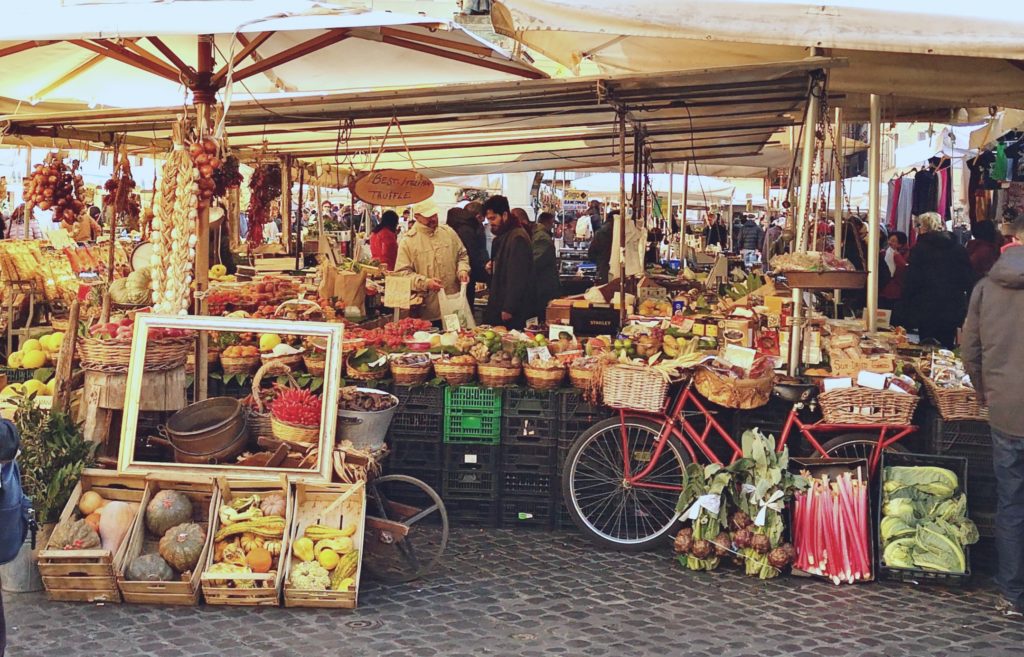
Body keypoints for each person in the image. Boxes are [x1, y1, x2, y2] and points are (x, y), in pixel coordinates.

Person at [961, 211, 1024, 618]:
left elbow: (971, 351)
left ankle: (1012, 595)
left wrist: (984, 391)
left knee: (1011, 502)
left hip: (1005, 410)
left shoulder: (986, 287)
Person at [900, 212, 973, 348]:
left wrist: (906, 305)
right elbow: (967, 278)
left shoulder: (919, 249)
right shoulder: (958, 248)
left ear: (923, 227)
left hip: (926, 307)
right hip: (952, 306)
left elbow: (912, 280)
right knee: (946, 346)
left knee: (927, 346)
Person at [393, 200, 470, 322]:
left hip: (454, 305)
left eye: (435, 215)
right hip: (428, 311)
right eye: (429, 216)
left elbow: (462, 255)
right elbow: (402, 274)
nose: (434, 219)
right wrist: (426, 282)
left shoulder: (449, 232)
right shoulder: (408, 242)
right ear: (417, 217)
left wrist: (463, 270)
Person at [483, 195, 533, 329]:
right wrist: (494, 266)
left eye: (493, 218)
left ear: (504, 215)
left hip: (512, 309)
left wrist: (509, 308)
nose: (490, 223)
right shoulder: (507, 235)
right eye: (488, 219)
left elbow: (518, 276)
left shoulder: (517, 238)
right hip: (502, 302)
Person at [445, 206, 488, 307]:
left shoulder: (457, 228)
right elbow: (474, 252)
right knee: (466, 305)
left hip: (460, 274)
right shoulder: (470, 228)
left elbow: (466, 253)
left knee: (459, 306)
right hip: (467, 274)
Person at [532, 212, 561, 318]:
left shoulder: (539, 235)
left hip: (541, 286)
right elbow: (536, 262)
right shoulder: (542, 237)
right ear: (549, 222)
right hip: (543, 286)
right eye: (553, 223)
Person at [879, 230, 909, 314]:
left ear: (900, 244)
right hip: (883, 289)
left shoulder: (905, 255)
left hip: (897, 291)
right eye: (889, 240)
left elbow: (904, 270)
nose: (889, 243)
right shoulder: (883, 254)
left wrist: (897, 257)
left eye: (893, 241)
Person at [588, 211, 615, 284]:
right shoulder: (625, 233)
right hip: (622, 273)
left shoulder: (600, 232)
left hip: (603, 270)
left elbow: (591, 254)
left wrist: (600, 261)